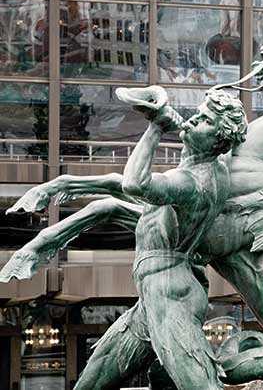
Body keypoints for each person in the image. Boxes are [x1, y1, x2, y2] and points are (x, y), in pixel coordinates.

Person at [73, 87, 247, 390]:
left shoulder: (191, 182)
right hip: (153, 298)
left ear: (218, 140)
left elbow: (134, 184)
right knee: (90, 383)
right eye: (196, 115)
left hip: (170, 297)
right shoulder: (217, 167)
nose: (192, 122)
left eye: (204, 121)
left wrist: (155, 128)